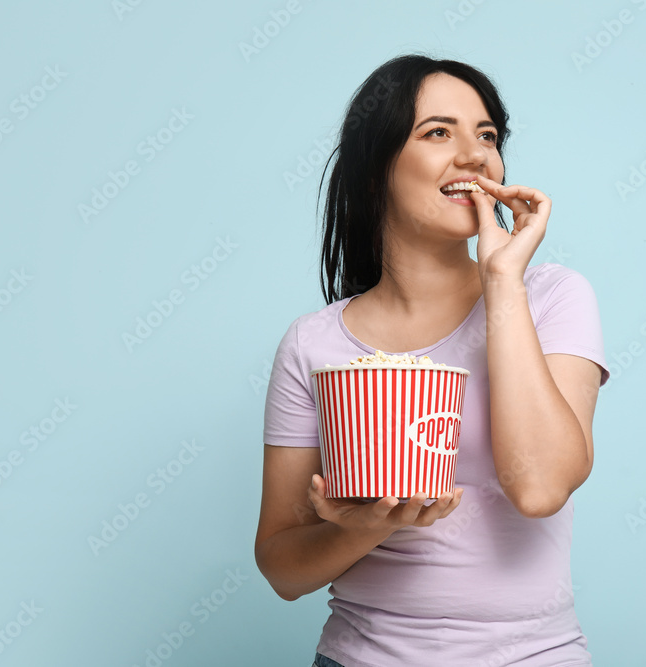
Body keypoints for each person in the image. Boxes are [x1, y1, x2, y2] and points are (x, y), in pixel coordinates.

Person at [256, 54, 610, 667]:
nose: (474, 154)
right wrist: (365, 526)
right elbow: (283, 569)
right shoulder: (312, 344)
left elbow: (540, 486)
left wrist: (503, 281)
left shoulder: (552, 297)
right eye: (438, 132)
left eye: (488, 135)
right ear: (375, 172)